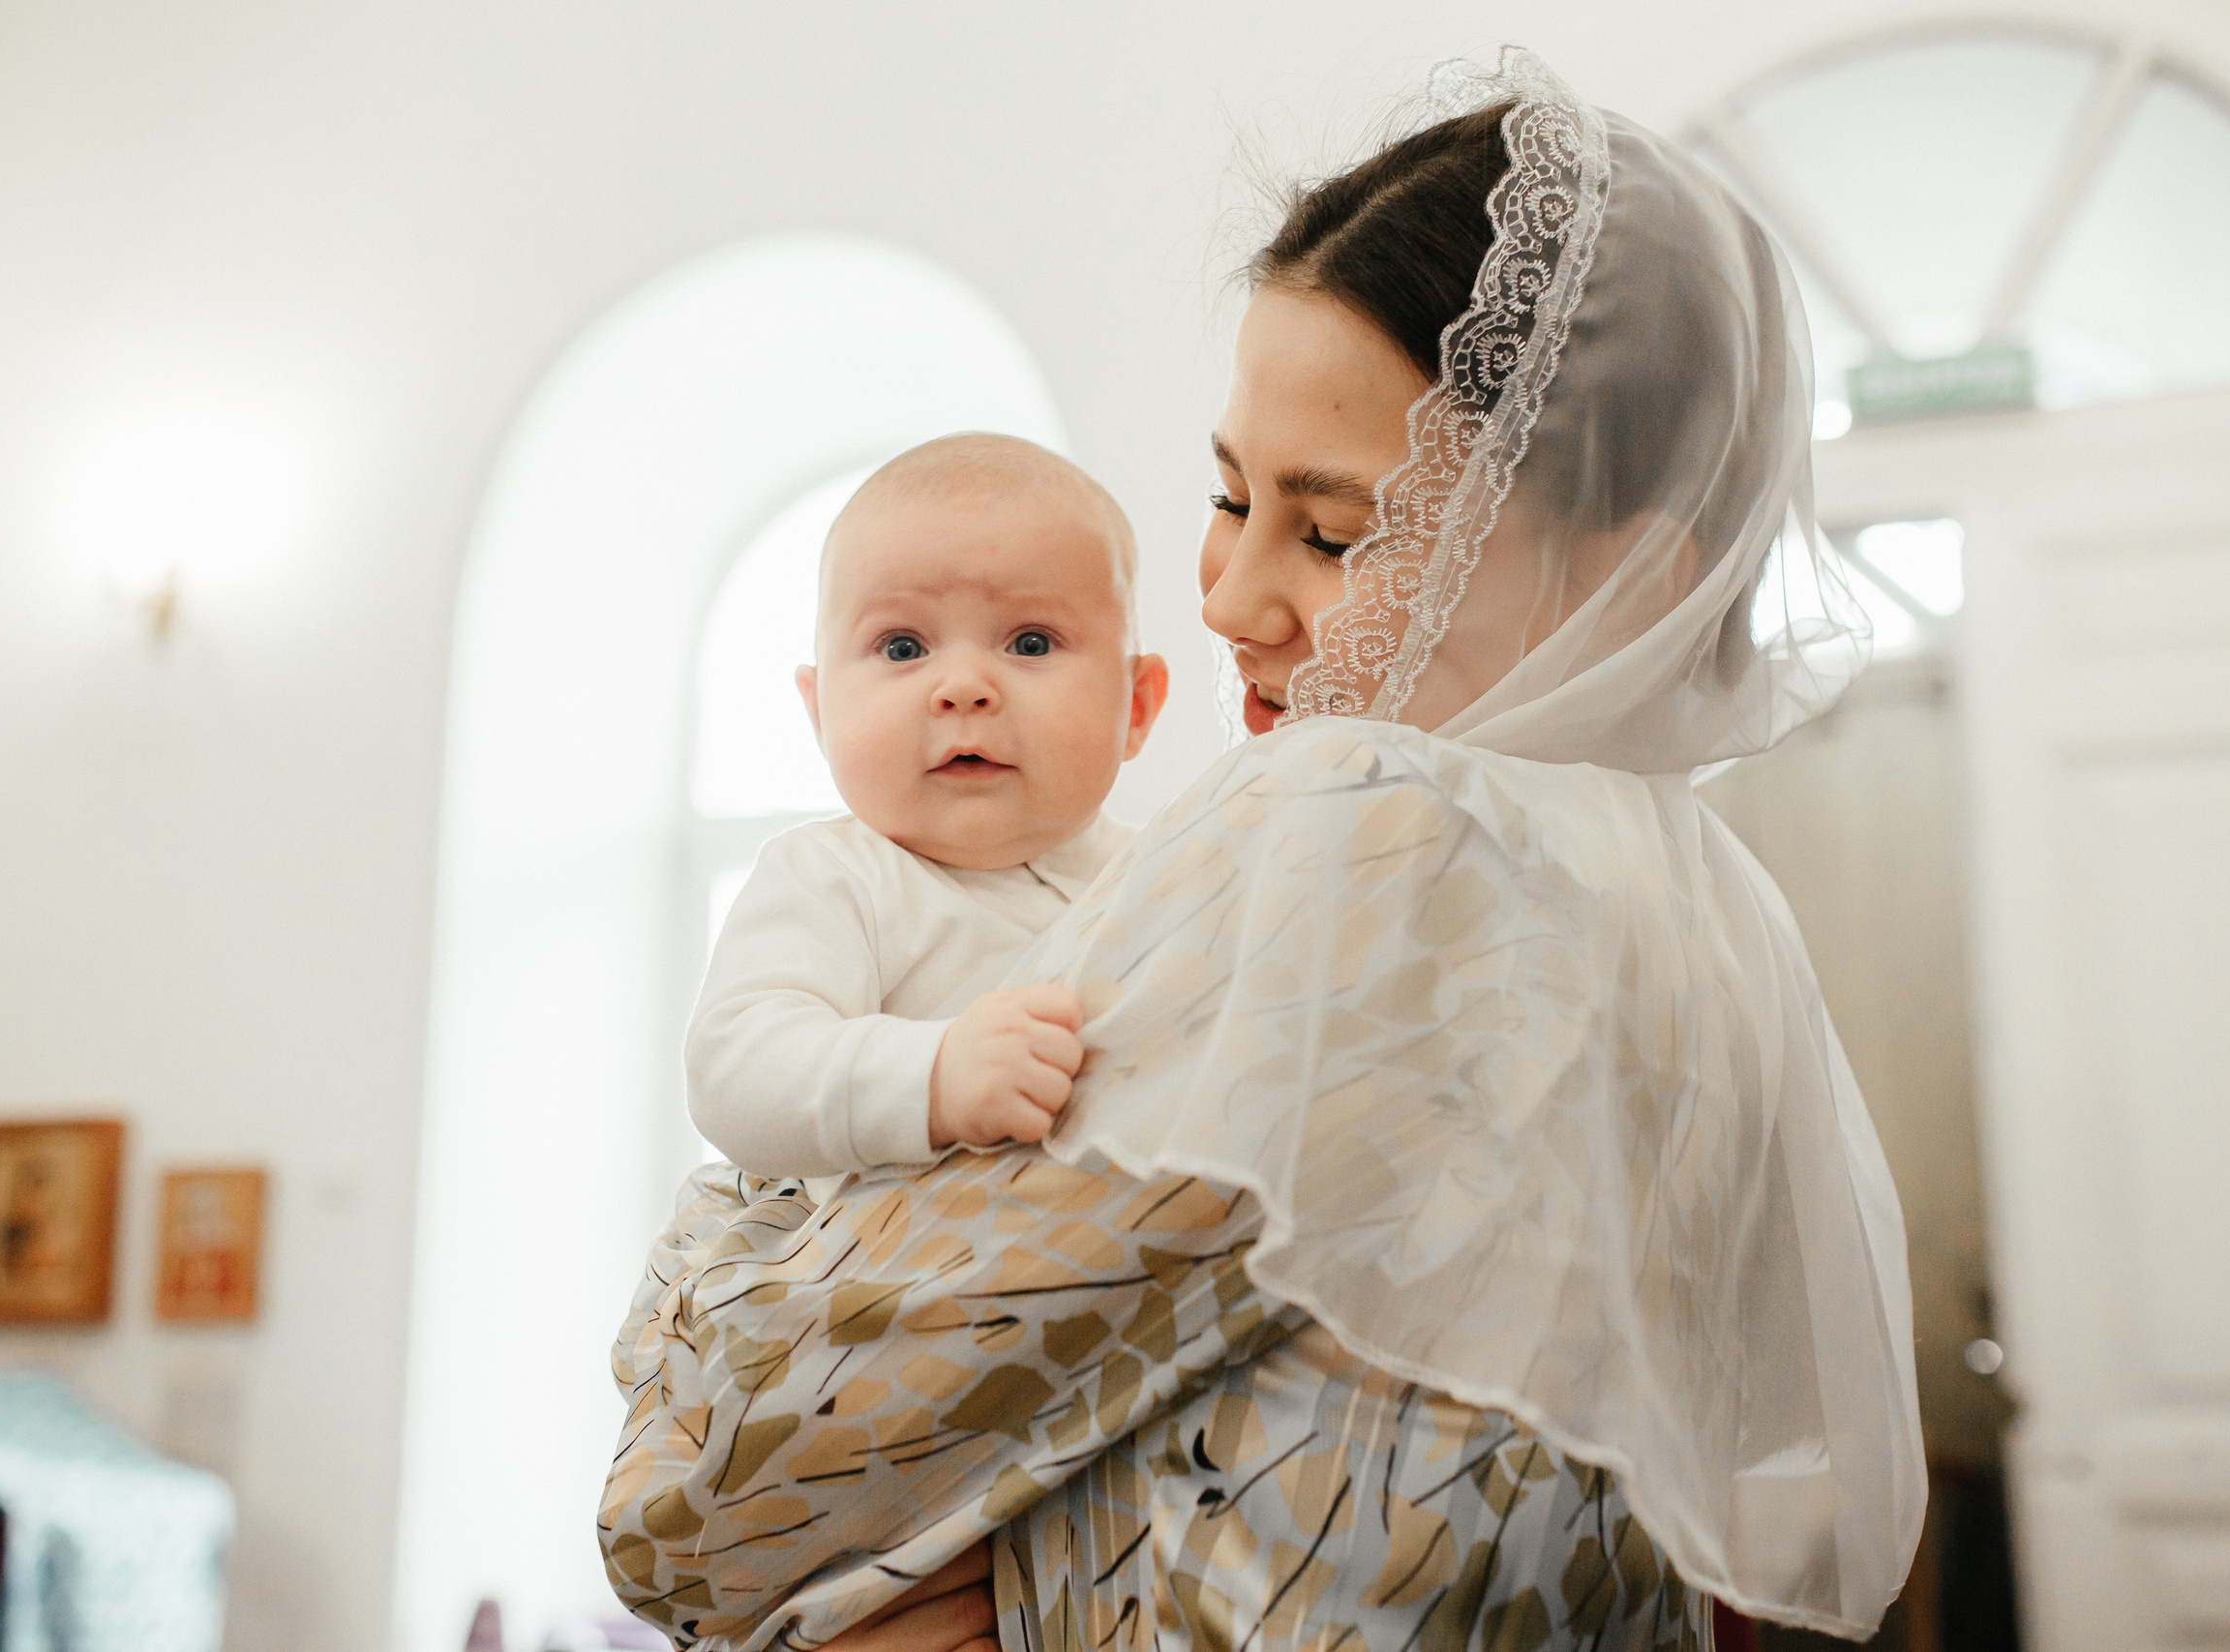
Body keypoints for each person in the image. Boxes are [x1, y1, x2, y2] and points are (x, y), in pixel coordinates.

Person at [601, 46, 1924, 1652]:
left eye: (1339, 529)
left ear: (1629, 576)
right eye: (1226, 499)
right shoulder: (1704, 909)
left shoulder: (1379, 829)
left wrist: (703, 1271)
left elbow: (693, 1502)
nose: (1225, 597)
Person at [689, 435, 1168, 1191]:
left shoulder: (1169, 874)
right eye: (903, 646)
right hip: (890, 1299)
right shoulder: (834, 876)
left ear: (1136, 707)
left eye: (1031, 641)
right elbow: (736, 1069)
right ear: (820, 714)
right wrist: (935, 1077)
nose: (963, 686)